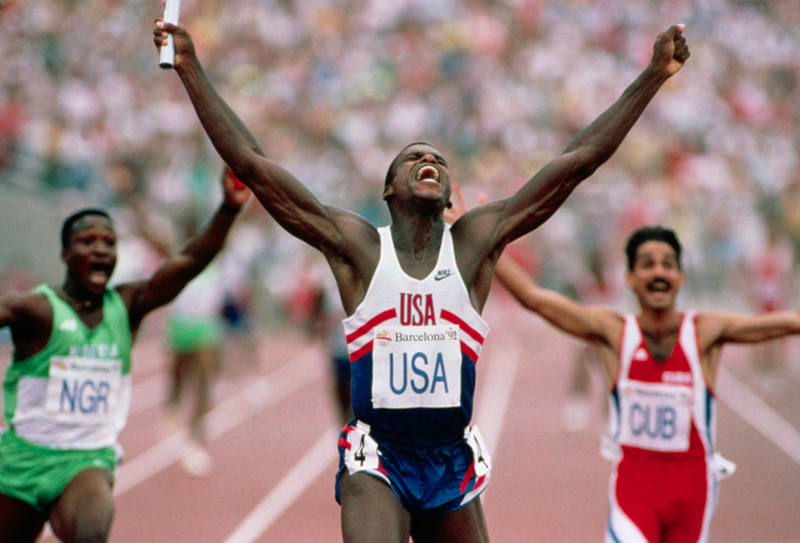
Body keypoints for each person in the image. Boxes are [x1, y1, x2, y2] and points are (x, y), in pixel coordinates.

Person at [153, 17, 689, 542]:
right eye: (413, 158)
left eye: (438, 158)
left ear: (451, 192)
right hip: (378, 456)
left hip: (450, 458)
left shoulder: (476, 242)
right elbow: (255, 163)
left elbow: (577, 163)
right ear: (389, 190)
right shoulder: (359, 247)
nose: (429, 159)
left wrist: (652, 76)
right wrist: (191, 67)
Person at [489, 224, 800, 543]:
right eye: (647, 264)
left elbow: (790, 322)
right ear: (629, 277)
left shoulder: (705, 331)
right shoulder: (616, 332)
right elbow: (533, 297)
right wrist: (485, 239)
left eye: (668, 264)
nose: (658, 273)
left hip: (692, 495)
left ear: (681, 277)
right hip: (635, 490)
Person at [0, 169, 249, 543]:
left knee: (91, 533)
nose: (101, 249)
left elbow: (190, 260)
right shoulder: (36, 310)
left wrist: (228, 209)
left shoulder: (129, 304)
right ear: (66, 254)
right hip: (21, 461)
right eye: (88, 241)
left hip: (86, 461)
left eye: (109, 242)